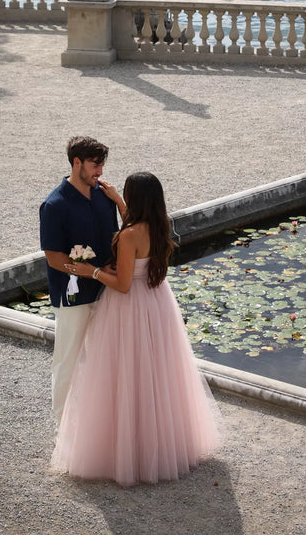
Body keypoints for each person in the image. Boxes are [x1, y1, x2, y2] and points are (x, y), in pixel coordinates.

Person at [51, 171, 220, 487]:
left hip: (129, 308)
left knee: (125, 375)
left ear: (136, 199)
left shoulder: (129, 236)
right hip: (157, 302)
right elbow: (135, 228)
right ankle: (157, 443)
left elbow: (124, 284)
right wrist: (118, 201)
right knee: (155, 375)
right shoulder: (159, 225)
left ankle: (127, 449)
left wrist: (94, 271)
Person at [39, 135, 125, 424]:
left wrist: (119, 200)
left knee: (107, 360)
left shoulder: (104, 195)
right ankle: (63, 429)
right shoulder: (54, 205)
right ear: (77, 163)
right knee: (68, 360)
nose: (100, 171)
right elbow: (53, 259)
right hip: (73, 295)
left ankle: (100, 425)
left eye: (101, 165)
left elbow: (117, 238)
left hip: (108, 291)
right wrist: (88, 271)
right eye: (95, 165)